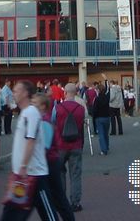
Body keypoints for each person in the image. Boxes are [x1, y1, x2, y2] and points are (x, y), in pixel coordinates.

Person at [0, 79, 55, 221]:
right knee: (13, 210)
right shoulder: (25, 113)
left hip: (33, 173)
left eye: (17, 90)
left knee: (45, 212)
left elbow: (31, 140)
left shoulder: (31, 113)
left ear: (25, 93)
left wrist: (23, 166)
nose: (14, 93)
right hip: (23, 174)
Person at [34, 93, 75, 221]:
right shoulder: (43, 120)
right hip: (49, 162)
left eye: (34, 104)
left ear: (42, 106)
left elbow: (45, 146)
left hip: (49, 163)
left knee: (56, 197)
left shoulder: (44, 122)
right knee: (55, 196)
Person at [55, 83, 85, 213]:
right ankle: (76, 203)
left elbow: (52, 124)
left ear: (65, 93)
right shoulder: (81, 108)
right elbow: (82, 126)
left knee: (60, 174)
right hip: (76, 144)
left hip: (60, 145)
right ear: (76, 93)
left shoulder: (58, 108)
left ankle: (61, 202)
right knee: (76, 175)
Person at [92, 84, 111, 155]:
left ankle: (104, 149)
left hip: (99, 118)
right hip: (107, 117)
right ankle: (107, 146)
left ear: (98, 90)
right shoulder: (107, 97)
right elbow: (108, 89)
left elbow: (95, 110)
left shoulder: (97, 99)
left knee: (101, 134)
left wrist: (94, 117)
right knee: (106, 133)